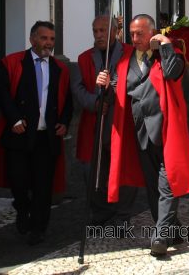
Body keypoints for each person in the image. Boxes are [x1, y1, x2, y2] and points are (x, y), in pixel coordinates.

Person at [95, 14, 189, 257]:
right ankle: (173, 229)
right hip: (139, 133)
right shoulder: (124, 61)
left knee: (167, 184)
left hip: (166, 132)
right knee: (152, 187)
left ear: (153, 33)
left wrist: (166, 44)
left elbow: (172, 73)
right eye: (132, 34)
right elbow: (116, 94)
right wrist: (105, 87)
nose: (135, 38)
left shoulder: (171, 55)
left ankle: (160, 236)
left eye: (140, 33)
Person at [0, 21, 73, 245]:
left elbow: (67, 100)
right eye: (44, 38)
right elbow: (2, 94)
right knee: (18, 181)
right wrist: (14, 119)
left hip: (46, 136)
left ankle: (38, 228)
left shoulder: (60, 68)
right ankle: (22, 207)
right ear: (32, 39)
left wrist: (64, 122)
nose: (49, 43)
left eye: (52, 39)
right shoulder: (12, 62)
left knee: (43, 187)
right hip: (20, 134)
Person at [72, 15, 137, 225]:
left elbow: (136, 82)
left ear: (115, 32)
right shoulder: (84, 58)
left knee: (123, 168)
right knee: (91, 169)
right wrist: (95, 102)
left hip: (121, 119)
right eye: (95, 31)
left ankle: (122, 215)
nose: (98, 35)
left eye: (103, 30)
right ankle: (101, 212)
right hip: (94, 120)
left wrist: (112, 88)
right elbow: (78, 88)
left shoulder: (130, 53)